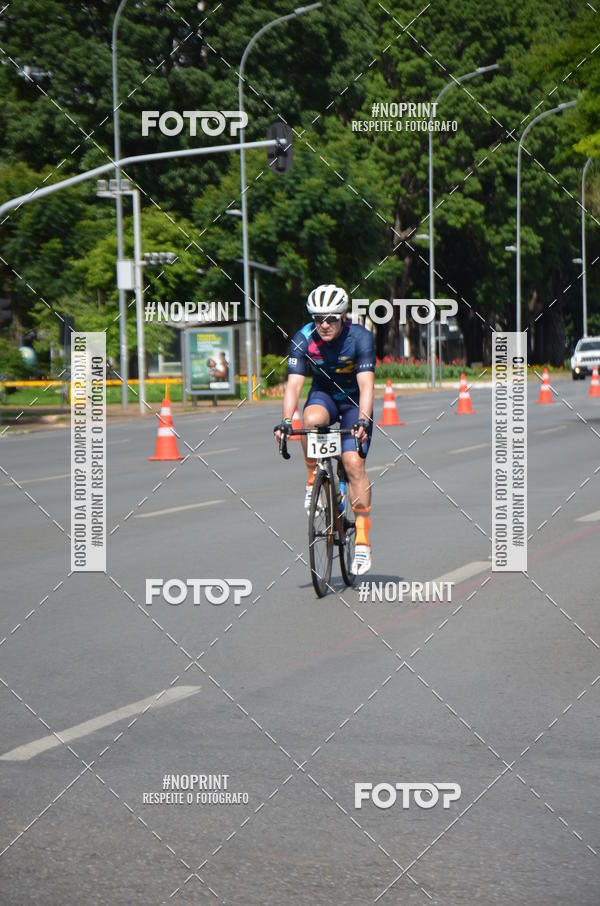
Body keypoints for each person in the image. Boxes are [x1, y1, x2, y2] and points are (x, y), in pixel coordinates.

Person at [274, 284, 375, 576]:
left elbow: (367, 385)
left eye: (331, 318)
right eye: (318, 318)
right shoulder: (304, 339)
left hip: (354, 403)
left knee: (353, 463)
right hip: (326, 398)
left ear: (343, 316)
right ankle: (312, 480)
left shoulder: (360, 337)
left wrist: (364, 421)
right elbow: (293, 385)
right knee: (309, 420)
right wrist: (285, 421)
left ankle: (363, 541)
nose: (324, 325)